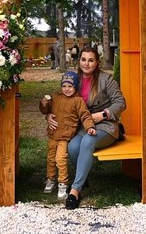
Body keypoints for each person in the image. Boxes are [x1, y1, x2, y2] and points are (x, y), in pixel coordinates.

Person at [47, 46, 126, 210]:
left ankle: (75, 190)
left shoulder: (106, 79)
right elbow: (60, 101)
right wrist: (48, 115)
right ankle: (82, 178)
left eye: (91, 60)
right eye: (83, 59)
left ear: (97, 62)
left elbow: (120, 102)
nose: (86, 64)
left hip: (105, 125)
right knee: (73, 147)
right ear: (79, 61)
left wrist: (103, 115)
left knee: (88, 141)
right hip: (83, 125)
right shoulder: (74, 79)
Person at [39, 71, 96, 200]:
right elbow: (45, 110)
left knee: (60, 160)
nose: (67, 89)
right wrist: (44, 104)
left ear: (75, 87)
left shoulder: (78, 101)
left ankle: (62, 183)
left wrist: (90, 127)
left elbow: (85, 115)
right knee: (50, 159)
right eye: (64, 86)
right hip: (53, 135)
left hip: (65, 137)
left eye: (70, 86)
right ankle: (50, 179)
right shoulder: (55, 98)